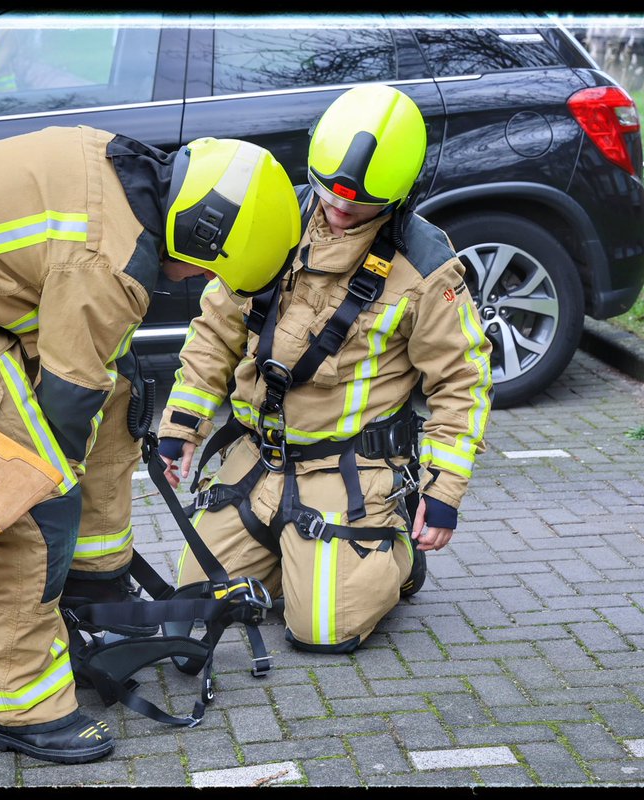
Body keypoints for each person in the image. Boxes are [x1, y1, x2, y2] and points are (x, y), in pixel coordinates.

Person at [0, 125, 300, 764]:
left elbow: (91, 367)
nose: (189, 281)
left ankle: (92, 594)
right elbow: (67, 399)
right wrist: (21, 483)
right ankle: (19, 704)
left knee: (115, 409)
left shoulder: (134, 180)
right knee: (32, 502)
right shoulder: (106, 262)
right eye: (204, 270)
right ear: (202, 236)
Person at [157, 84, 493, 655]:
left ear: (398, 194)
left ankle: (394, 554)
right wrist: (179, 427)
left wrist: (444, 493)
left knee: (321, 631)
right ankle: (292, 551)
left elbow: (461, 382)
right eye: (328, 192)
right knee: (193, 596)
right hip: (255, 460)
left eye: (358, 202)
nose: (337, 209)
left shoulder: (426, 268)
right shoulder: (271, 221)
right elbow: (215, 330)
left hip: (347, 472)